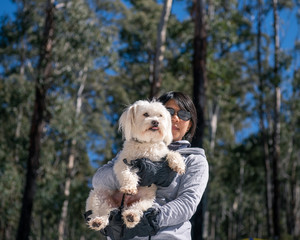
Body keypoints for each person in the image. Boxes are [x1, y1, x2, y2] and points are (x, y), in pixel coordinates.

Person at [89, 91, 209, 240]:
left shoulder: (194, 160)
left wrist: (151, 219)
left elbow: (187, 204)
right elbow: (98, 180)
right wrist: (137, 172)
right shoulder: (133, 148)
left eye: (184, 115)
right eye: (169, 111)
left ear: (189, 125)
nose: (175, 118)